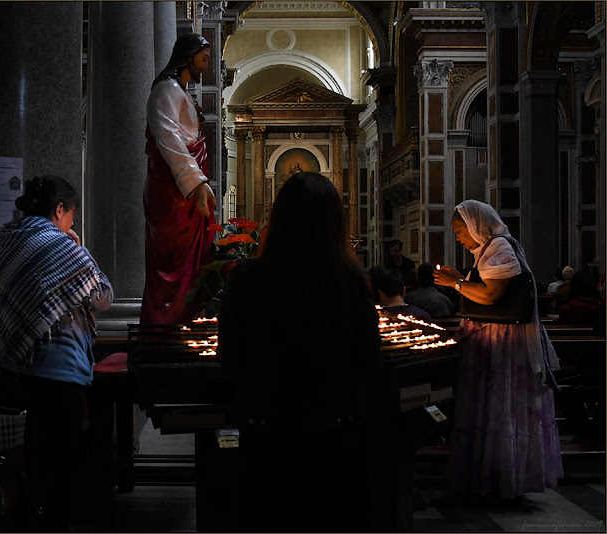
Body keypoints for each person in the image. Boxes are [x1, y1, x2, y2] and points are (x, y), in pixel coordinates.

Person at [218, 172, 400, 532]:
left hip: (267, 430)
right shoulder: (351, 283)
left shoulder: (247, 280)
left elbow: (230, 356)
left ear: (280, 219)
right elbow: (367, 359)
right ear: (335, 223)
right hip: (336, 434)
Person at [0, 175, 113, 532]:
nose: (73, 222)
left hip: (11, 369)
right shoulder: (64, 247)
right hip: (59, 376)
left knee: (24, 458)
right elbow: (103, 296)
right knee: (58, 466)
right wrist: (80, 246)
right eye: (72, 214)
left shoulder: (6, 240)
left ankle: (25, 520)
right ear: (59, 210)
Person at [434, 199, 563, 500]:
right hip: (494, 337)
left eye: (460, 231)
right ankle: (491, 476)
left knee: (503, 405)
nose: (459, 238)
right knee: (492, 407)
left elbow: (492, 295)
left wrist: (456, 284)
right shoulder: (491, 250)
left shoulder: (500, 249)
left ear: (476, 226)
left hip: (504, 341)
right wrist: (461, 281)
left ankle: (504, 477)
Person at [142, 32, 217, 324]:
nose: (205, 65)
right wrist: (196, 183)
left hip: (184, 187)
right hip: (173, 191)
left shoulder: (180, 91)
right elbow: (168, 139)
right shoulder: (166, 90)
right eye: (204, 58)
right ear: (189, 55)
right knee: (172, 259)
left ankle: (185, 320)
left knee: (192, 260)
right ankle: (164, 326)